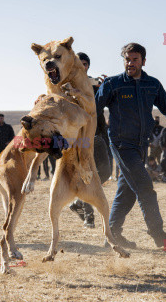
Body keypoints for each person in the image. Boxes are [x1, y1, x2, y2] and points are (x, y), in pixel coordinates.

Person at [96, 42, 166, 248]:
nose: (130, 63)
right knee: (145, 187)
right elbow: (92, 109)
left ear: (143, 61)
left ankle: (112, 236)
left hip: (141, 145)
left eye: (135, 59)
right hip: (122, 144)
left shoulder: (152, 84)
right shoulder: (112, 84)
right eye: (127, 59)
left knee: (126, 192)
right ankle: (159, 235)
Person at [69, 52, 111, 229]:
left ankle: (79, 201)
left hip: (100, 132)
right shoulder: (68, 85)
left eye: (85, 63)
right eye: (79, 63)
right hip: (81, 134)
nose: (82, 66)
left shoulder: (95, 84)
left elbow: (105, 102)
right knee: (87, 172)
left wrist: (107, 86)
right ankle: (89, 217)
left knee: (106, 171)